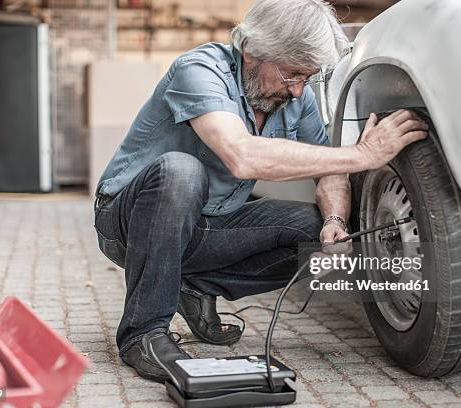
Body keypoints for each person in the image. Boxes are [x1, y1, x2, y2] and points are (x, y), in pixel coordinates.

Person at [94, 0, 428, 382]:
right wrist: (364, 154)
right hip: (128, 220)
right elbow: (241, 156)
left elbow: (329, 169)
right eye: (291, 74)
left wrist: (335, 221)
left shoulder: (295, 98)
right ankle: (144, 333)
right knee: (181, 170)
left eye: (308, 77)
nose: (300, 89)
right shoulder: (200, 70)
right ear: (252, 52)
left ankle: (191, 284)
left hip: (208, 224)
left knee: (313, 232)